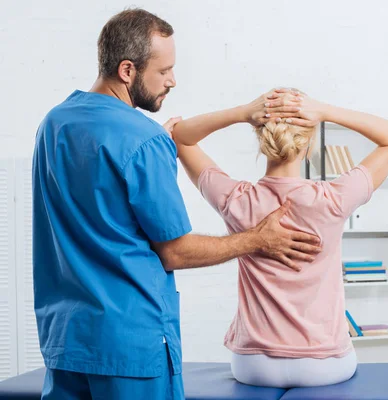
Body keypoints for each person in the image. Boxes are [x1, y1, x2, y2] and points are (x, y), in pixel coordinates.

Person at [32, 9, 321, 400]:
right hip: (130, 345)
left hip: (66, 341)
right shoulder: (142, 139)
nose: (173, 80)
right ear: (128, 70)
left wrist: (240, 113)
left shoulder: (54, 123)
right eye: (164, 71)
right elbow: (176, 252)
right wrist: (257, 239)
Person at [173, 89, 388, 388]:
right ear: (308, 143)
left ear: (261, 140)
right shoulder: (332, 199)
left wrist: (243, 112)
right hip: (323, 364)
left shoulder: (237, 200)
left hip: (253, 364)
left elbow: (180, 137)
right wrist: (323, 110)